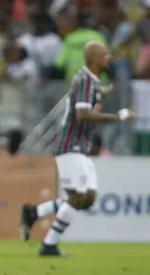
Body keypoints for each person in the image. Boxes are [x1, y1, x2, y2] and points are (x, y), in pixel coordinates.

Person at [20, 41, 135, 256]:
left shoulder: (91, 82)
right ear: (94, 59)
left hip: (80, 146)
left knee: (87, 197)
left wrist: (104, 93)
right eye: (105, 54)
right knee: (77, 198)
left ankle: (35, 212)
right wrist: (117, 116)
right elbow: (82, 114)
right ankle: (49, 244)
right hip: (70, 144)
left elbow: (90, 99)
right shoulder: (84, 80)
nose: (109, 57)